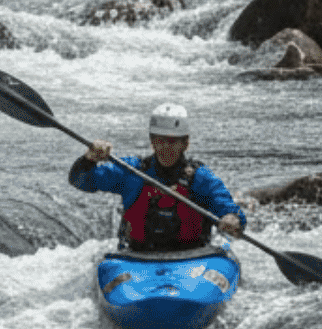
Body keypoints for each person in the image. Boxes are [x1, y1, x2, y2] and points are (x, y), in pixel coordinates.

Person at [69, 102, 246, 252]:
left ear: (185, 143)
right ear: (152, 140)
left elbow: (228, 208)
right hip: (136, 257)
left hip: (192, 258)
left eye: (172, 142)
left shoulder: (201, 178)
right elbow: (79, 180)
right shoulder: (131, 171)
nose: (165, 148)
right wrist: (89, 159)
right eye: (159, 140)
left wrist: (233, 219)